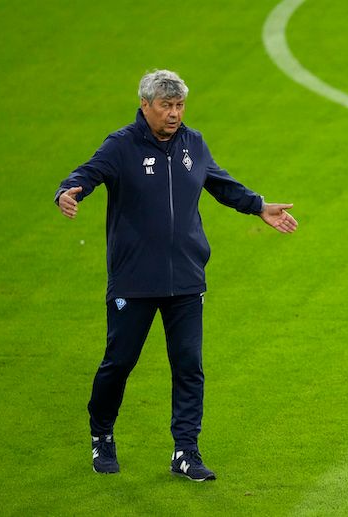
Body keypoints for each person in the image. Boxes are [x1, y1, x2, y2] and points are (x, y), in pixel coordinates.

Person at [55, 69, 297, 481]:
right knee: (119, 362)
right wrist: (67, 191)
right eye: (166, 105)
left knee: (188, 365)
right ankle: (102, 435)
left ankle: (186, 451)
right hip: (134, 279)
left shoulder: (193, 143)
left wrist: (258, 206)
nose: (174, 113)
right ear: (145, 105)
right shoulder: (121, 146)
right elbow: (88, 172)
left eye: (179, 105)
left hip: (186, 277)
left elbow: (219, 183)